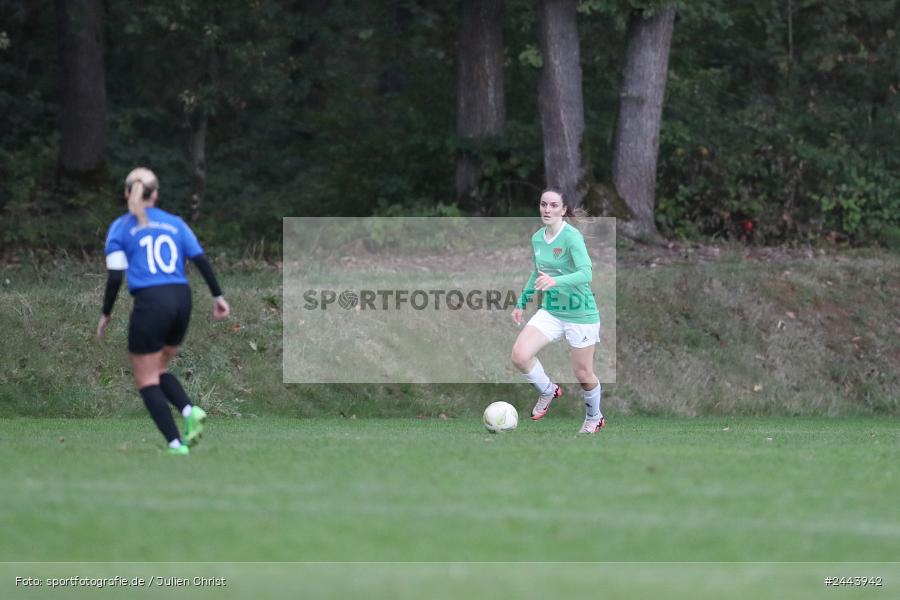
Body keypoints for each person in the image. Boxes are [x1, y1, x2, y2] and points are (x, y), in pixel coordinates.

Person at [96, 167, 231, 455]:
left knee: (146, 379)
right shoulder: (175, 223)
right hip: (182, 299)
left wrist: (106, 313)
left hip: (151, 301)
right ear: (155, 194)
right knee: (159, 369)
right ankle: (189, 409)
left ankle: (175, 444)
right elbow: (201, 260)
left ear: (126, 193)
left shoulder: (120, 227)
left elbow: (115, 277)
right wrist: (218, 296)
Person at [511, 189, 604, 433]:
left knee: (583, 373)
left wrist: (556, 282)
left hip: (580, 312)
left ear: (563, 210)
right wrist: (522, 302)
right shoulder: (537, 238)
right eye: (543, 205)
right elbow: (537, 272)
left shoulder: (571, 237)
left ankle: (594, 417)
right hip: (551, 311)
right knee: (520, 356)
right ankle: (548, 390)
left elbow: (586, 273)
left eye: (553, 205)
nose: (547, 210)